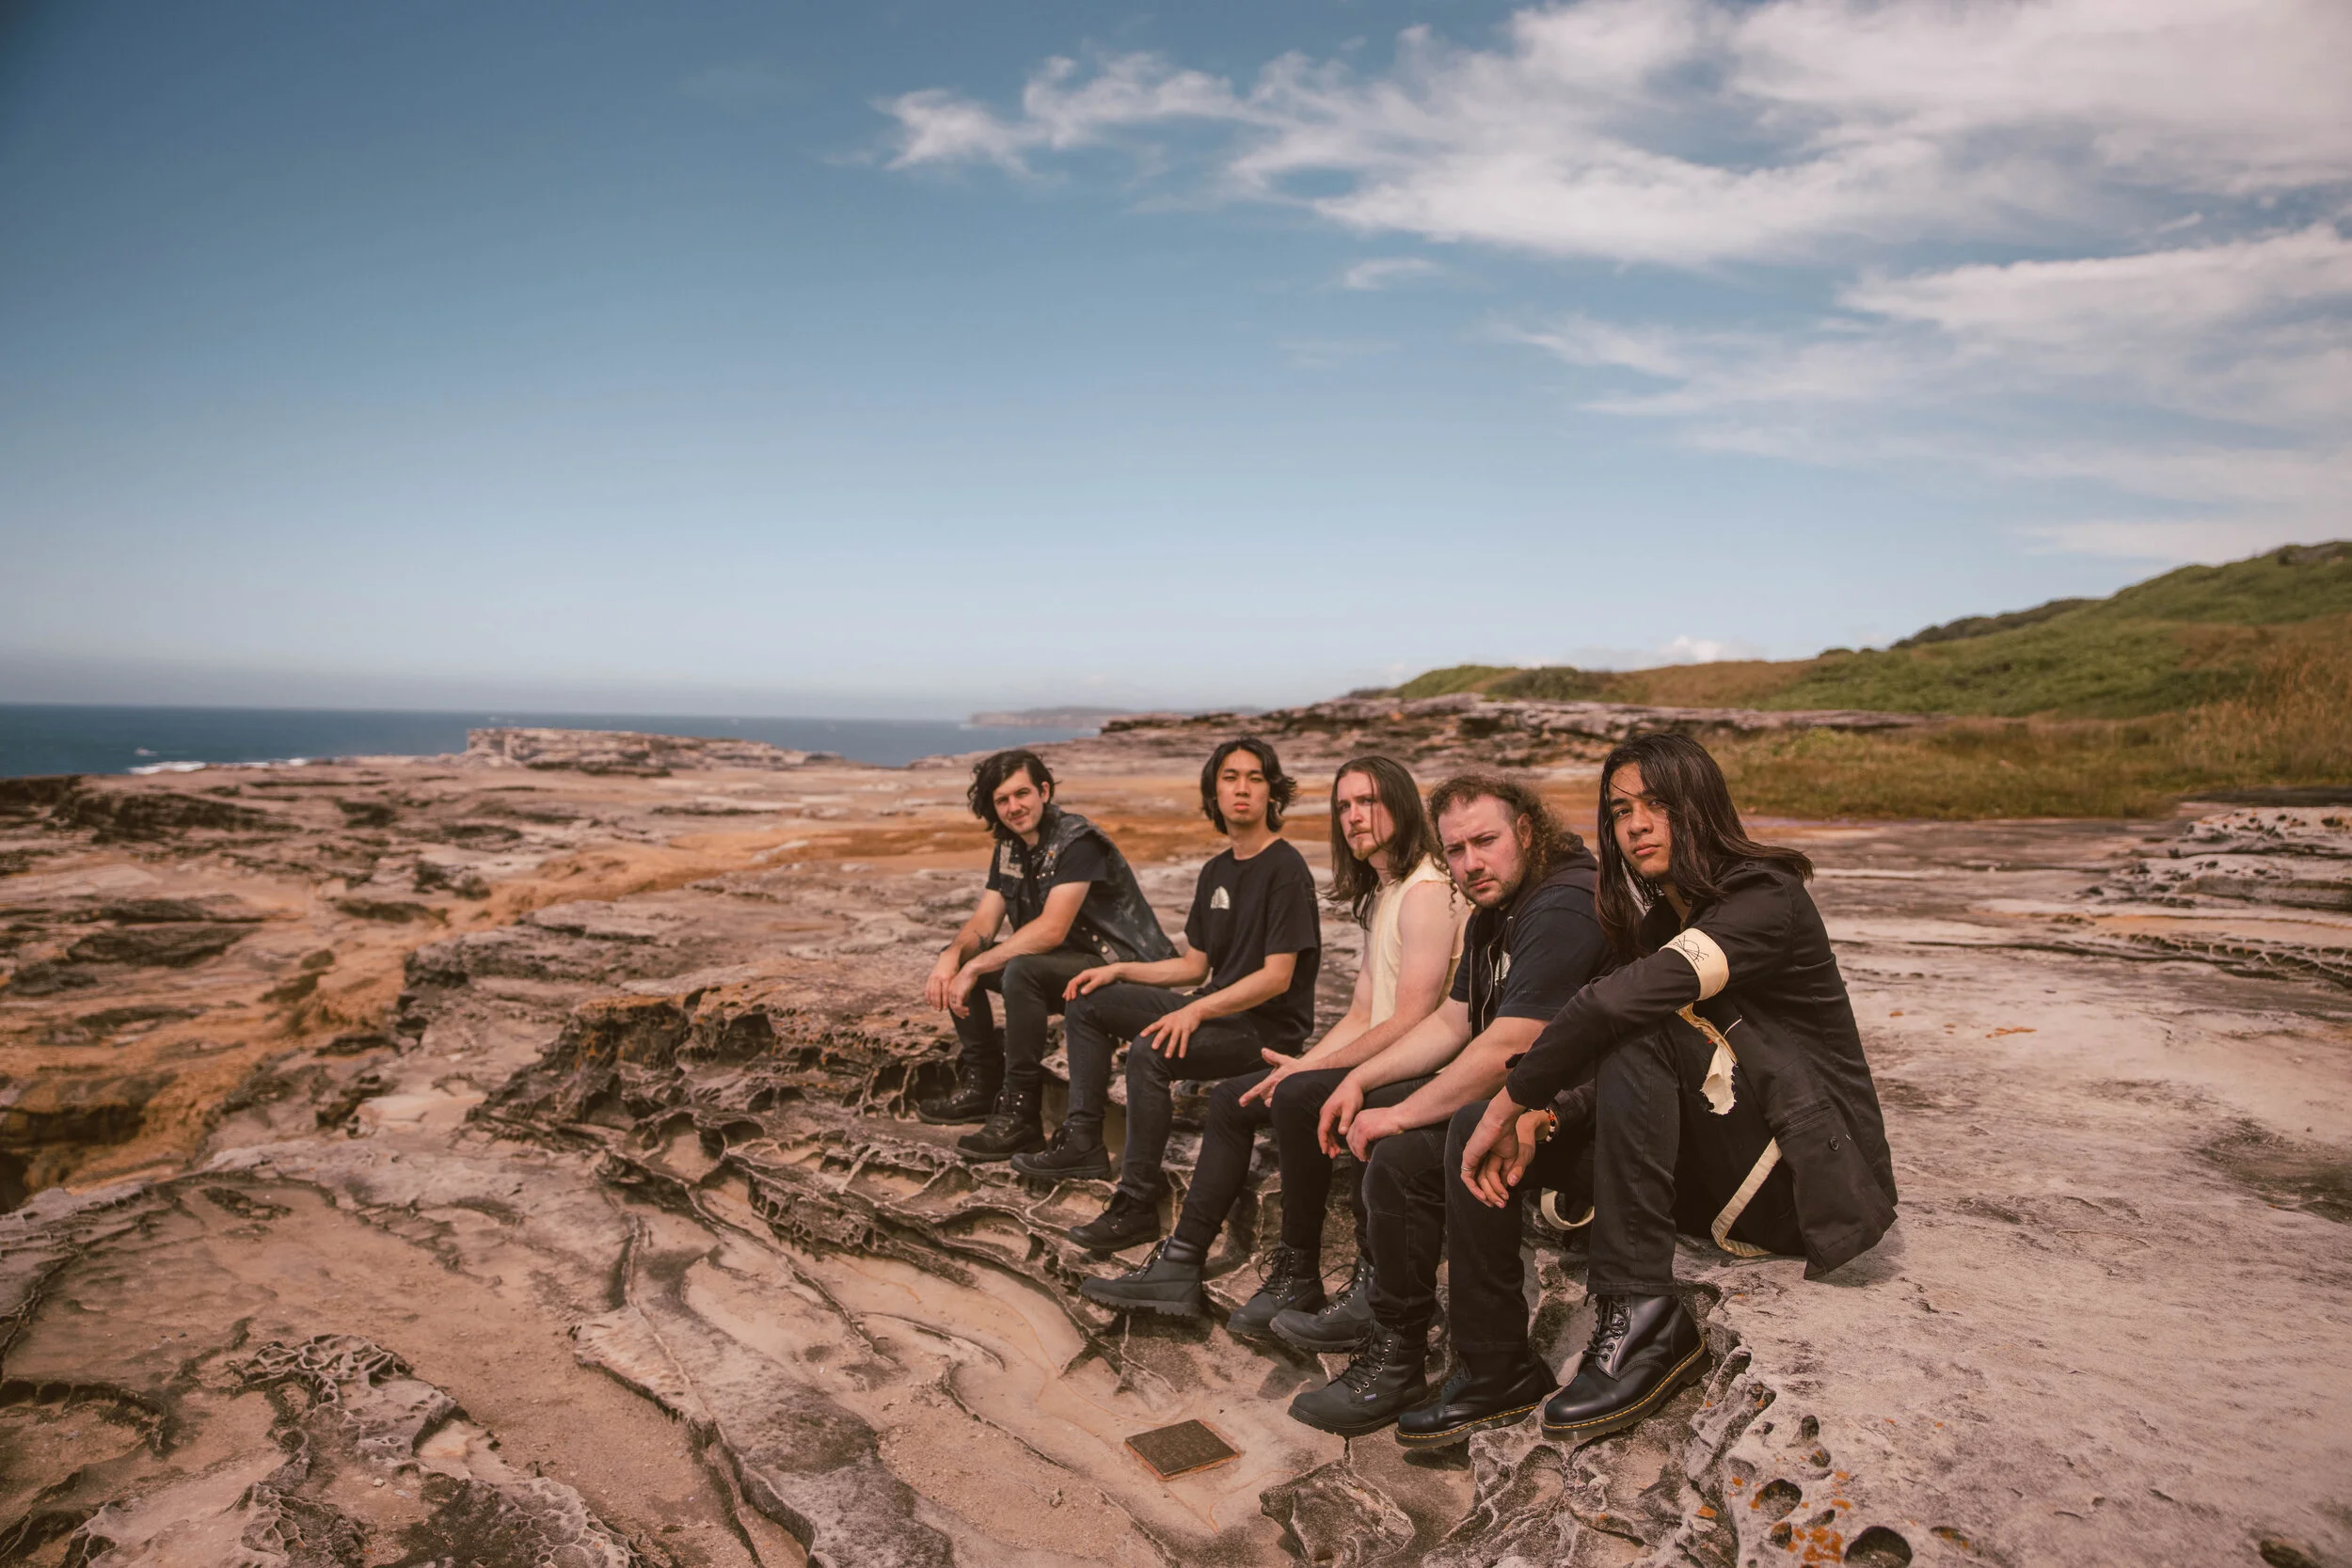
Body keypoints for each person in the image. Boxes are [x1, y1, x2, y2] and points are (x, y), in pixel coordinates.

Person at [1445, 731, 1896, 1448]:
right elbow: (1647, 1074)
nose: (1636, 825)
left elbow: (1612, 1014)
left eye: (1658, 804)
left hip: (1800, 1179)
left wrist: (1517, 1098)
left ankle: (1642, 1313)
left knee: (1626, 1022)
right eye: (1621, 810)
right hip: (1721, 1162)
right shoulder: (1661, 919)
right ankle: (1490, 1365)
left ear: (1701, 805)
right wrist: (1548, 1117)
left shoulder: (1765, 898)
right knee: (1469, 1129)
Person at [1072, 755, 1466, 1334]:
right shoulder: (1385, 892)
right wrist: (1303, 1064)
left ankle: (1299, 1269)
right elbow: (1361, 1011)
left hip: (1421, 1066)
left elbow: (1412, 1019)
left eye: (1369, 802)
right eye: (1344, 806)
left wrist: (1310, 1072)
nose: (1354, 817)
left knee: (1296, 1095)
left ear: (1404, 805)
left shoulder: (1427, 891)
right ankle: (1182, 1263)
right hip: (1381, 1053)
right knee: (1235, 1101)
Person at [1284, 772, 1608, 1438]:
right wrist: (1361, 1080)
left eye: (1484, 841)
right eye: (1455, 849)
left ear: (1526, 829)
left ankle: (1492, 1369)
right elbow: (1454, 1022)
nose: (1469, 863)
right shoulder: (1496, 912)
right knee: (1396, 1133)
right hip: (1531, 1106)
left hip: (1588, 1122)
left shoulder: (1565, 903)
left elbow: (1510, 1043)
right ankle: (1394, 1341)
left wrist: (1399, 1112)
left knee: (1427, 1141)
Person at [1028, 738, 1324, 1253]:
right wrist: (1120, 969)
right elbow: (1194, 965)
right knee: (1088, 1000)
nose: (1242, 788)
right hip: (1218, 1008)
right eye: (1230, 777)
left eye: (1255, 778)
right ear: (1214, 791)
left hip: (1266, 1030)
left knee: (1151, 1051)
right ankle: (1082, 1140)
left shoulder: (1286, 868)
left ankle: (1136, 1205)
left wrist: (1197, 1009)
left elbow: (1278, 977)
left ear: (1272, 793)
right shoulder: (1216, 872)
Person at [915, 749, 1175, 1160]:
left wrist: (980, 964)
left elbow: (1052, 929)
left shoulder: (1078, 841)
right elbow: (984, 923)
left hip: (1119, 970)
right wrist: (952, 958)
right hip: (1064, 969)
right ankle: (984, 1085)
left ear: (1044, 791)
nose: (1014, 807)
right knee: (971, 962)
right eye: (1002, 800)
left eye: (1022, 794)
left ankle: (1020, 1115)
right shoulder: (1010, 847)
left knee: (1020, 969)